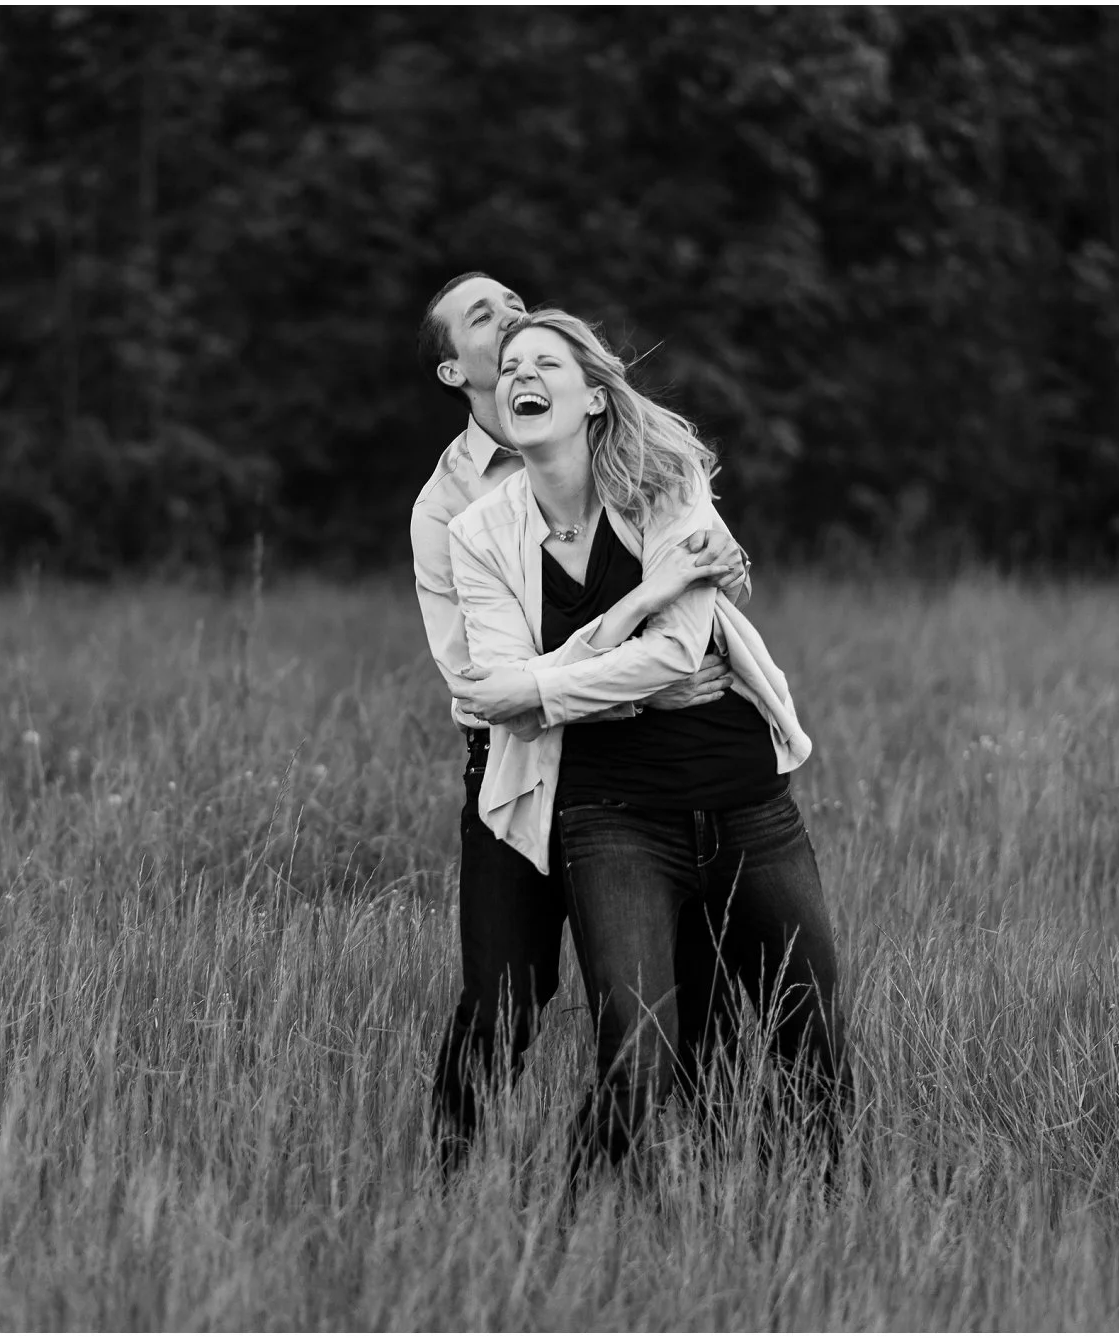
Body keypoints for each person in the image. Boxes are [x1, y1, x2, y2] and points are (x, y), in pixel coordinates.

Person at [447, 308, 852, 1184]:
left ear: (595, 395)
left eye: (547, 363)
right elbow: (508, 698)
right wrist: (638, 604)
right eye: (510, 366)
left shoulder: (665, 480)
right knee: (638, 1054)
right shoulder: (478, 535)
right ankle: (568, 1228)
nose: (522, 376)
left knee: (811, 1034)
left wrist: (546, 688)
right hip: (611, 817)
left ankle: (815, 1223)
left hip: (746, 805)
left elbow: (670, 654)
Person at [409, 273, 754, 1175]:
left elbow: (696, 582)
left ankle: (673, 1185)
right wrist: (629, 667)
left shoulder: (615, 448)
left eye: (512, 302)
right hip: (519, 761)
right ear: (455, 373)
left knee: (676, 997)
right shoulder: (447, 510)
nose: (510, 315)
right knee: (506, 997)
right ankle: (447, 1175)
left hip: (635, 765)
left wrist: (717, 563)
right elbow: (480, 686)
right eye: (483, 317)